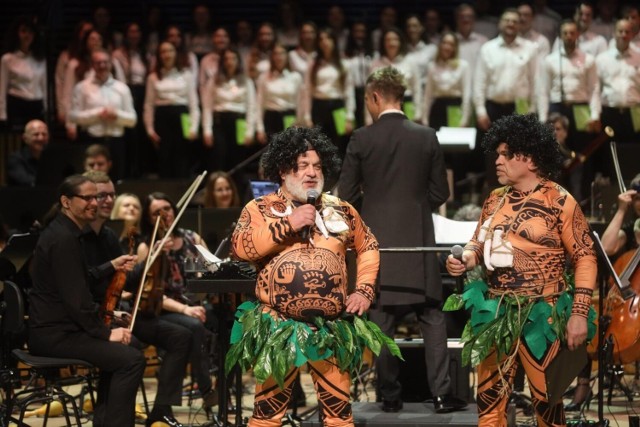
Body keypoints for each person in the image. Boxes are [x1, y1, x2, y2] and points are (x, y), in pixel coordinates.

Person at [229, 126, 394, 427]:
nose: (311, 173)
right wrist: (289, 223)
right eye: (302, 165)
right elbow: (241, 248)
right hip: (276, 326)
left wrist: (364, 291)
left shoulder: (341, 209)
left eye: (317, 166)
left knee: (339, 417)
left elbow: (368, 245)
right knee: (267, 417)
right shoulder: (260, 208)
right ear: (282, 170)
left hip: (329, 329)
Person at [445, 113, 597, 426]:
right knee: (488, 403)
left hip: (544, 312)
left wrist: (579, 314)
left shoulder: (560, 200)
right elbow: (477, 243)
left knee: (547, 404)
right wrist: (465, 260)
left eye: (505, 154)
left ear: (527, 158)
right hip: (496, 311)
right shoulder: (494, 200)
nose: (497, 161)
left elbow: (585, 256)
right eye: (497, 154)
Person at [339, 66, 466, 414]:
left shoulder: (362, 139)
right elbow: (440, 191)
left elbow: (345, 195)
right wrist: (414, 205)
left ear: (376, 97)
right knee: (433, 317)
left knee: (381, 318)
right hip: (419, 241)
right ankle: (441, 395)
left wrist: (375, 203)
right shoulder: (426, 136)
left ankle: (390, 396)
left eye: (367, 100)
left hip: (377, 245)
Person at [28, 174, 146, 427]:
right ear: (66, 201)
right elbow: (76, 300)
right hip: (55, 335)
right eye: (87, 197)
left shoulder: (67, 232)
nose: (95, 202)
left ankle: (105, 422)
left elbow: (80, 281)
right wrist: (105, 333)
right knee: (131, 359)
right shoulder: (63, 239)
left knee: (130, 347)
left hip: (62, 328)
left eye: (97, 196)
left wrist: (110, 266)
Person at [81, 171, 192, 426]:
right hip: (94, 317)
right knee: (129, 351)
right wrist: (107, 313)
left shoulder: (108, 236)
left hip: (115, 312)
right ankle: (111, 419)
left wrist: (151, 259)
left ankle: (161, 409)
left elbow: (126, 283)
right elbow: (83, 286)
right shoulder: (78, 238)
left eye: (111, 195)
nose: (107, 200)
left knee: (180, 335)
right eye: (101, 195)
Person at [137, 192, 217, 405]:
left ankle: (225, 388)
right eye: (156, 213)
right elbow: (150, 294)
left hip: (197, 304)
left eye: (167, 209)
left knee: (230, 318)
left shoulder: (192, 238)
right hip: (165, 311)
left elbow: (214, 269)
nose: (164, 215)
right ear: (148, 219)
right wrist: (184, 309)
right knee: (194, 326)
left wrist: (206, 275)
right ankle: (207, 389)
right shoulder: (146, 248)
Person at [69, 49, 137, 181]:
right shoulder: (82, 87)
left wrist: (116, 115)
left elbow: (133, 119)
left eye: (105, 62)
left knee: (117, 181)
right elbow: (73, 116)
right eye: (98, 62)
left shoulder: (122, 88)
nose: (102, 66)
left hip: (116, 142)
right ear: (92, 65)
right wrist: (98, 114)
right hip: (92, 139)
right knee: (90, 181)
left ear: (110, 64)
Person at [143, 41, 200, 178]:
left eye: (170, 51)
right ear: (159, 55)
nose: (167, 54)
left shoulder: (186, 74)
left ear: (176, 53)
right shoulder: (153, 77)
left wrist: (194, 127)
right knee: (165, 157)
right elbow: (149, 105)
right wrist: (149, 129)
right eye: (163, 51)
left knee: (183, 156)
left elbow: (193, 103)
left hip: (182, 116)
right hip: (162, 117)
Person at [0, 16, 46, 131]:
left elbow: (44, 86)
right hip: (17, 105)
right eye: (23, 31)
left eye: (30, 32)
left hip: (37, 106)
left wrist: (47, 109)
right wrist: (2, 114)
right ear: (17, 33)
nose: (27, 35)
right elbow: (2, 88)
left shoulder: (40, 59)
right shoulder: (8, 59)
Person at [255, 43, 304, 144]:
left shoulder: (295, 77)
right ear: (272, 57)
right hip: (271, 118)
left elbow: (300, 103)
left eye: (282, 53)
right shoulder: (263, 78)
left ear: (287, 56)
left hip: (290, 117)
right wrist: (259, 128)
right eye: (276, 54)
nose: (279, 57)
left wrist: (300, 123)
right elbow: (259, 104)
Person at [6, 119, 49, 186]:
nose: (41, 138)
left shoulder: (52, 158)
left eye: (44, 134)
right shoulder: (15, 159)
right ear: (25, 138)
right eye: (36, 134)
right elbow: (25, 182)